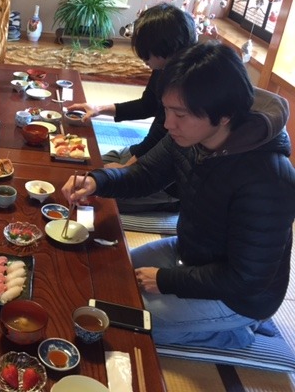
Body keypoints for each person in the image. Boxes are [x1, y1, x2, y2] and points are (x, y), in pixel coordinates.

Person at [62, 41, 295, 349]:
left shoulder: (269, 179)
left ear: (224, 116)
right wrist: (97, 181)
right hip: (191, 252)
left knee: (130, 322)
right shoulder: (189, 137)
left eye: (180, 114)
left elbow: (247, 278)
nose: (168, 123)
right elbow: (145, 175)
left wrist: (165, 280)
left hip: (239, 296)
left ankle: (235, 333)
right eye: (167, 110)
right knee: (108, 276)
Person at [67, 3, 197, 213]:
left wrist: (127, 168)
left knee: (92, 199)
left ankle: (168, 204)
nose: (143, 59)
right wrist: (99, 109)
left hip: (165, 180)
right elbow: (147, 105)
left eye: (147, 53)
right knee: (79, 170)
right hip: (144, 152)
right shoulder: (164, 68)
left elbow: (163, 137)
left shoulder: (186, 88)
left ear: (167, 48)